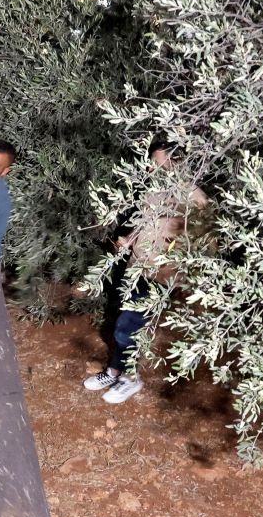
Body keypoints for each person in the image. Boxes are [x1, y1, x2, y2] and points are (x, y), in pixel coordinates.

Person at [83, 146, 209, 404]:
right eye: (151, 163)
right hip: (136, 266)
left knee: (127, 325)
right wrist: (129, 240)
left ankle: (130, 379)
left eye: (157, 164)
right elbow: (145, 222)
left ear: (177, 163)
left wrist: (189, 274)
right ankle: (116, 371)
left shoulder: (194, 198)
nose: (150, 169)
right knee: (125, 321)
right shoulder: (153, 187)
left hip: (159, 274)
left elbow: (206, 240)